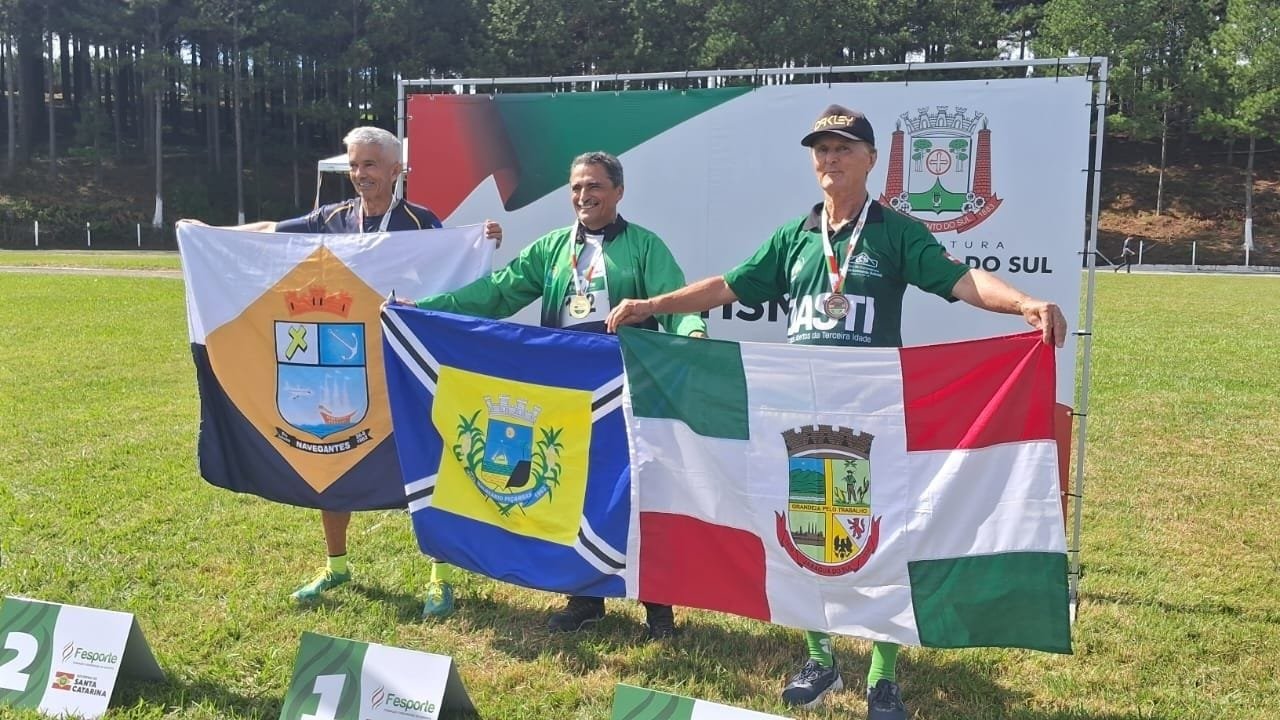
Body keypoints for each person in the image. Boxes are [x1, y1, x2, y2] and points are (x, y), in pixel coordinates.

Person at [606, 105, 1067, 719]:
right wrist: (654, 304)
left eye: (844, 148)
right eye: (821, 149)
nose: (830, 159)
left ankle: (882, 674)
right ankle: (819, 656)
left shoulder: (897, 232)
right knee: (802, 528)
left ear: (871, 160)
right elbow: (728, 286)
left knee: (879, 534)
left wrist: (1023, 303)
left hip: (873, 416)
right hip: (797, 413)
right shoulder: (795, 235)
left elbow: (961, 281)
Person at [184, 125, 502, 619]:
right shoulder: (330, 218)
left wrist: (481, 242)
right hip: (337, 360)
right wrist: (207, 235)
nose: (360, 175)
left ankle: (440, 575)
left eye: (370, 165)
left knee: (424, 461)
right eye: (354, 165)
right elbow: (272, 234)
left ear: (396, 171)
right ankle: (336, 564)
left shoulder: (421, 224)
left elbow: (451, 270)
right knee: (327, 459)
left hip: (399, 363)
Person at [408, 150, 706, 640]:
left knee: (638, 492)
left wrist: (692, 335)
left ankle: (658, 609)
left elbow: (675, 301)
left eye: (594, 187)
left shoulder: (644, 247)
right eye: (576, 188)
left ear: (618, 192)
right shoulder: (552, 249)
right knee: (575, 491)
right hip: (568, 392)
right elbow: (497, 293)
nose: (584, 196)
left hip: (626, 387)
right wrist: (425, 310)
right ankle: (584, 598)